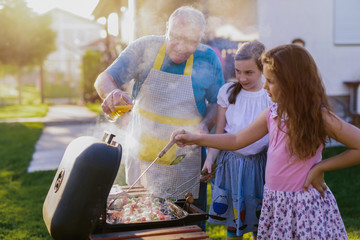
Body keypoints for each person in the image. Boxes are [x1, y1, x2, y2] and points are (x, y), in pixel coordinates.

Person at [171, 44, 360, 239]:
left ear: (292, 83)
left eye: (271, 81)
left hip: (303, 207)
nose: (265, 86)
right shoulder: (272, 114)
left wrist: (321, 168)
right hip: (276, 204)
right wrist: (195, 138)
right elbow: (236, 139)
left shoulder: (319, 117)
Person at [94, 5, 225, 224]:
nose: (181, 47)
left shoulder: (209, 58)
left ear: (201, 38)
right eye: (176, 37)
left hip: (189, 158)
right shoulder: (144, 47)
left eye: (191, 41)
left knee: (189, 225)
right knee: (143, 218)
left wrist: (205, 124)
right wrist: (113, 93)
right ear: (167, 28)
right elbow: (104, 79)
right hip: (145, 157)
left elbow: (217, 104)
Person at [202, 41, 272, 240]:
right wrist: (209, 159)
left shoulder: (270, 96)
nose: (242, 78)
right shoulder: (228, 92)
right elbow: (219, 132)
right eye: (238, 71)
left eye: (249, 72)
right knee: (234, 225)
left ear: (262, 68)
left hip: (262, 167)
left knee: (262, 225)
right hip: (231, 167)